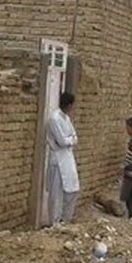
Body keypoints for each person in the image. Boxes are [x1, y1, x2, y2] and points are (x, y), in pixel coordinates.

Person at [45, 91, 79, 226]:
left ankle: (65, 220)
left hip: (68, 159)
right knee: (55, 194)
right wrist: (70, 140)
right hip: (57, 160)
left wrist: (69, 140)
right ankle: (54, 222)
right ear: (68, 105)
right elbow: (61, 141)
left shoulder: (66, 118)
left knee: (72, 189)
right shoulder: (54, 119)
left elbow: (75, 137)